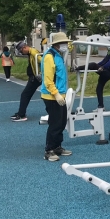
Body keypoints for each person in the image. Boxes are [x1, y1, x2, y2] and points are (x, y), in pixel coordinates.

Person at [41, 32, 72, 162]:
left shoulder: (58, 55)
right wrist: (56, 93)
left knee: (62, 122)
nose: (66, 45)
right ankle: (49, 150)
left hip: (59, 95)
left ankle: (57, 146)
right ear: (58, 44)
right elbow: (48, 79)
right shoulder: (50, 56)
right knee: (55, 123)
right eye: (64, 43)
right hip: (51, 96)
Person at [10, 41, 42, 122]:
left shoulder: (33, 52)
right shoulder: (31, 52)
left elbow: (42, 61)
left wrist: (39, 74)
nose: (21, 53)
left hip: (35, 78)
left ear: (24, 47)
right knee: (26, 95)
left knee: (25, 95)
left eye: (21, 51)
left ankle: (22, 115)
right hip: (34, 77)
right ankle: (21, 113)